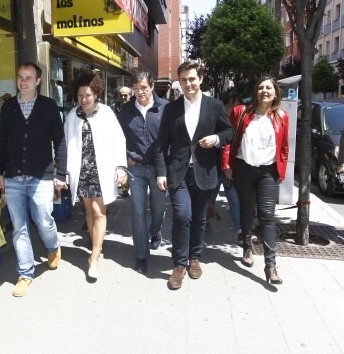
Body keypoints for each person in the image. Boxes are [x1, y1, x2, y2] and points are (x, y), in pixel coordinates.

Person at [155, 60, 233, 290]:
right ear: (179, 82)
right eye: (183, 80)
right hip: (178, 172)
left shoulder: (215, 105)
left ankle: (194, 258)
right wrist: (161, 172)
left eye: (192, 79)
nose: (188, 83)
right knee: (182, 216)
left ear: (200, 79)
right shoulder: (171, 108)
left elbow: (229, 131)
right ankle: (179, 265)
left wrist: (216, 139)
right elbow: (162, 144)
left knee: (199, 218)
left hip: (205, 172)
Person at [0, 63, 68, 297]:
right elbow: (1, 140)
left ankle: (53, 247)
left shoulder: (48, 106)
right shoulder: (8, 106)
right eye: (20, 77)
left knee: (44, 219)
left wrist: (60, 174)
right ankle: (25, 273)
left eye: (28, 78)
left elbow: (60, 141)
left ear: (38, 81)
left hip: (41, 175)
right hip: (14, 176)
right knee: (19, 228)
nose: (23, 82)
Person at [222, 77, 289, 285]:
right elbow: (229, 140)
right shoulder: (240, 112)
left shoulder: (281, 117)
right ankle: (247, 247)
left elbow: (284, 148)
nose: (264, 91)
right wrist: (227, 165)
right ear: (255, 92)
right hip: (243, 169)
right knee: (247, 210)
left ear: (275, 93)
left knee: (268, 216)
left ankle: (271, 265)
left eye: (269, 87)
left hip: (268, 172)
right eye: (260, 87)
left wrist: (281, 172)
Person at [65, 71, 127, 280]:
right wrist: (62, 171)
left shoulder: (107, 113)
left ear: (96, 94)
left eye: (88, 95)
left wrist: (121, 167)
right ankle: (95, 247)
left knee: (100, 212)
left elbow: (119, 140)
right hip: (81, 170)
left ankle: (94, 256)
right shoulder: (73, 115)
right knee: (88, 211)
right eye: (80, 95)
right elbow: (66, 143)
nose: (84, 99)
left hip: (102, 169)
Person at [117, 71, 168, 274]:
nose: (140, 93)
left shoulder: (164, 108)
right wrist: (124, 159)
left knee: (158, 209)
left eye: (144, 88)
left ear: (152, 87)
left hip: (158, 169)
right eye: (136, 89)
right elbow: (118, 138)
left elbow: (170, 138)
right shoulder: (126, 110)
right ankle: (141, 255)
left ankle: (156, 232)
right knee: (138, 212)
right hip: (136, 167)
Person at [205, 90, 243, 242]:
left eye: (237, 105)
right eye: (230, 105)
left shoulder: (242, 124)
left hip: (231, 170)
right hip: (214, 169)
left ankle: (240, 230)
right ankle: (205, 220)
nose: (233, 109)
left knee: (234, 199)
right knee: (210, 198)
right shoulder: (214, 121)